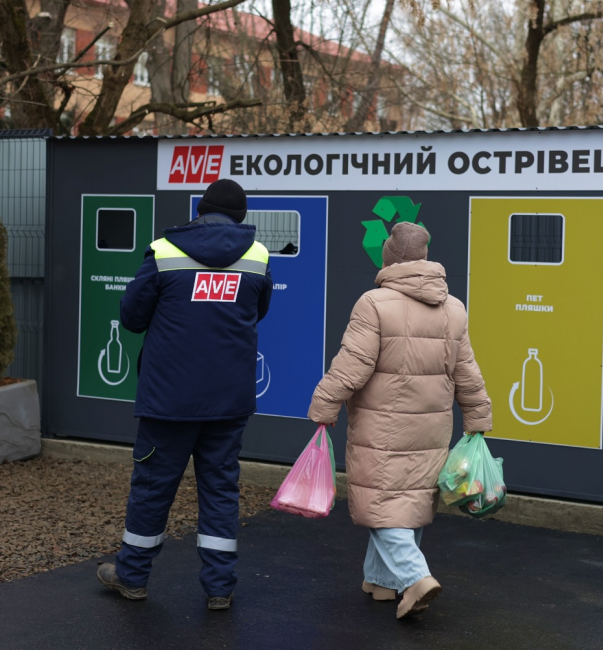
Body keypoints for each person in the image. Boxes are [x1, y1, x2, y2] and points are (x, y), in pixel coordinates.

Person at [97, 179, 272, 611]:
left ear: (201, 210)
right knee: (220, 489)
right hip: (228, 400)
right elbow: (258, 311)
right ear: (241, 217)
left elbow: (133, 318)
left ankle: (132, 576)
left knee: (153, 488)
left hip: (169, 398)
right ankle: (219, 587)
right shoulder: (258, 256)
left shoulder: (163, 251)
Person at [308, 221, 492, 619]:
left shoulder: (374, 303)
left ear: (389, 257)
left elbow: (351, 367)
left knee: (381, 503)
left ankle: (415, 578)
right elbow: (468, 371)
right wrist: (477, 416)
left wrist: (324, 404)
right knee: (407, 501)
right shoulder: (453, 308)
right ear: (424, 259)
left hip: (383, 425)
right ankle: (382, 583)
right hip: (431, 428)